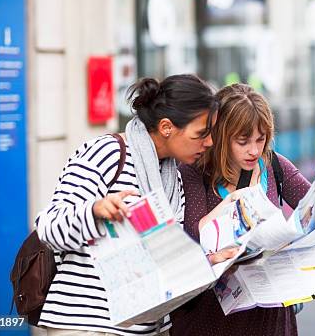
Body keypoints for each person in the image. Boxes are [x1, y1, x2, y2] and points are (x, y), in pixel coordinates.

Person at [35, 74, 231, 336]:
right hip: (88, 325)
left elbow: (168, 257)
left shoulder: (173, 177)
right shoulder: (107, 153)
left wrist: (208, 263)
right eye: (201, 134)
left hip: (146, 326)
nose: (209, 142)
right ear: (166, 127)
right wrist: (94, 211)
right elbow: (48, 228)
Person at [171, 84, 315, 336]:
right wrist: (234, 201)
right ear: (221, 136)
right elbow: (192, 237)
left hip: (270, 315)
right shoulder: (194, 173)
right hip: (212, 319)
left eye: (260, 139)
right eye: (242, 141)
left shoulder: (274, 165)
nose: (254, 150)